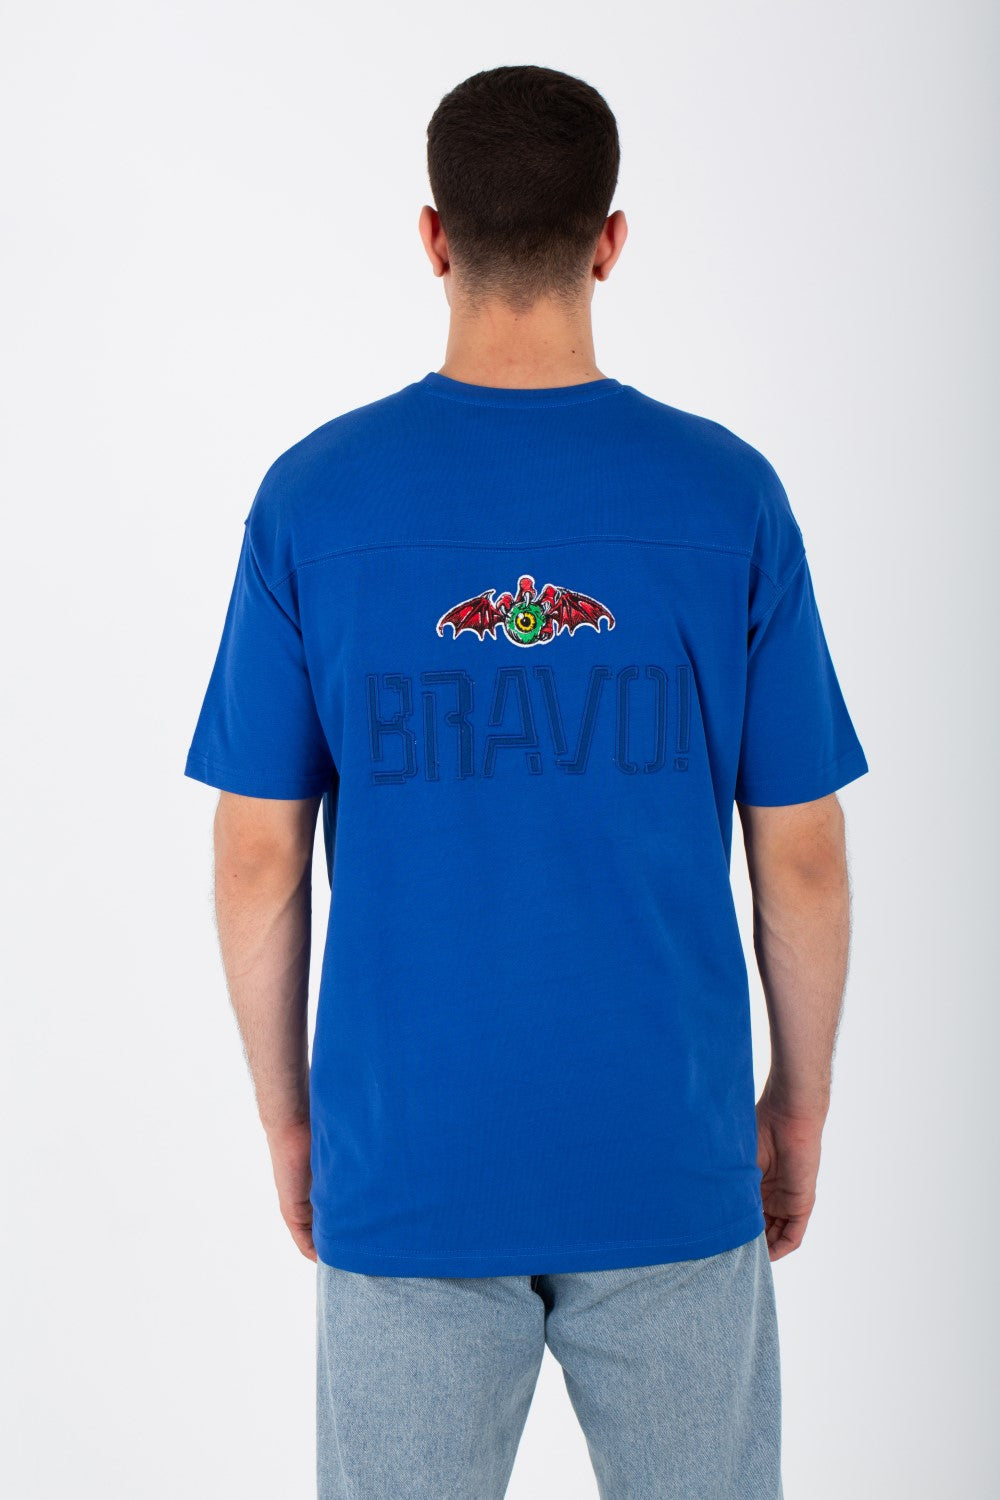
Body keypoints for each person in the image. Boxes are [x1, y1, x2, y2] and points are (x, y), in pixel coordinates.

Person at [184, 63, 868, 1500]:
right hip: (668, 1154)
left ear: (434, 237)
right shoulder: (728, 496)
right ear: (609, 241)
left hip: (408, 1156)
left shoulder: (314, 499)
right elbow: (801, 855)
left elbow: (257, 856)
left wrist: (291, 1119)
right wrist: (796, 1108)